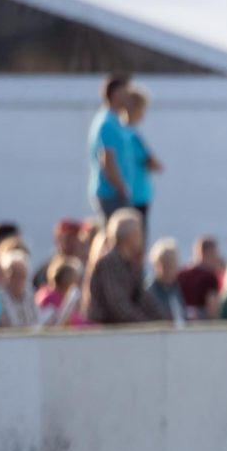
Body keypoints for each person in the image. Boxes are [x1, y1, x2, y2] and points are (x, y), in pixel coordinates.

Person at [85, 208, 169, 325]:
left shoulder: (129, 264)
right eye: (139, 232)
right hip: (105, 333)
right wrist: (148, 325)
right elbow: (119, 307)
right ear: (130, 236)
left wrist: (165, 320)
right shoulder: (110, 263)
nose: (142, 237)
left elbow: (143, 298)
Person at [88, 74, 143, 222]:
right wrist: (123, 189)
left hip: (116, 193)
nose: (129, 97)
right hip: (111, 194)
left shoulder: (115, 120)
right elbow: (107, 160)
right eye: (126, 92)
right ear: (116, 94)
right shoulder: (107, 123)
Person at [118, 82, 164, 229]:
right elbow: (152, 162)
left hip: (133, 195)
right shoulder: (130, 135)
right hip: (136, 196)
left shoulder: (123, 132)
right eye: (143, 108)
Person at [147, 239, 189, 326]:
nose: (170, 269)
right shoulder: (149, 290)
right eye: (166, 264)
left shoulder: (175, 287)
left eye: (173, 264)